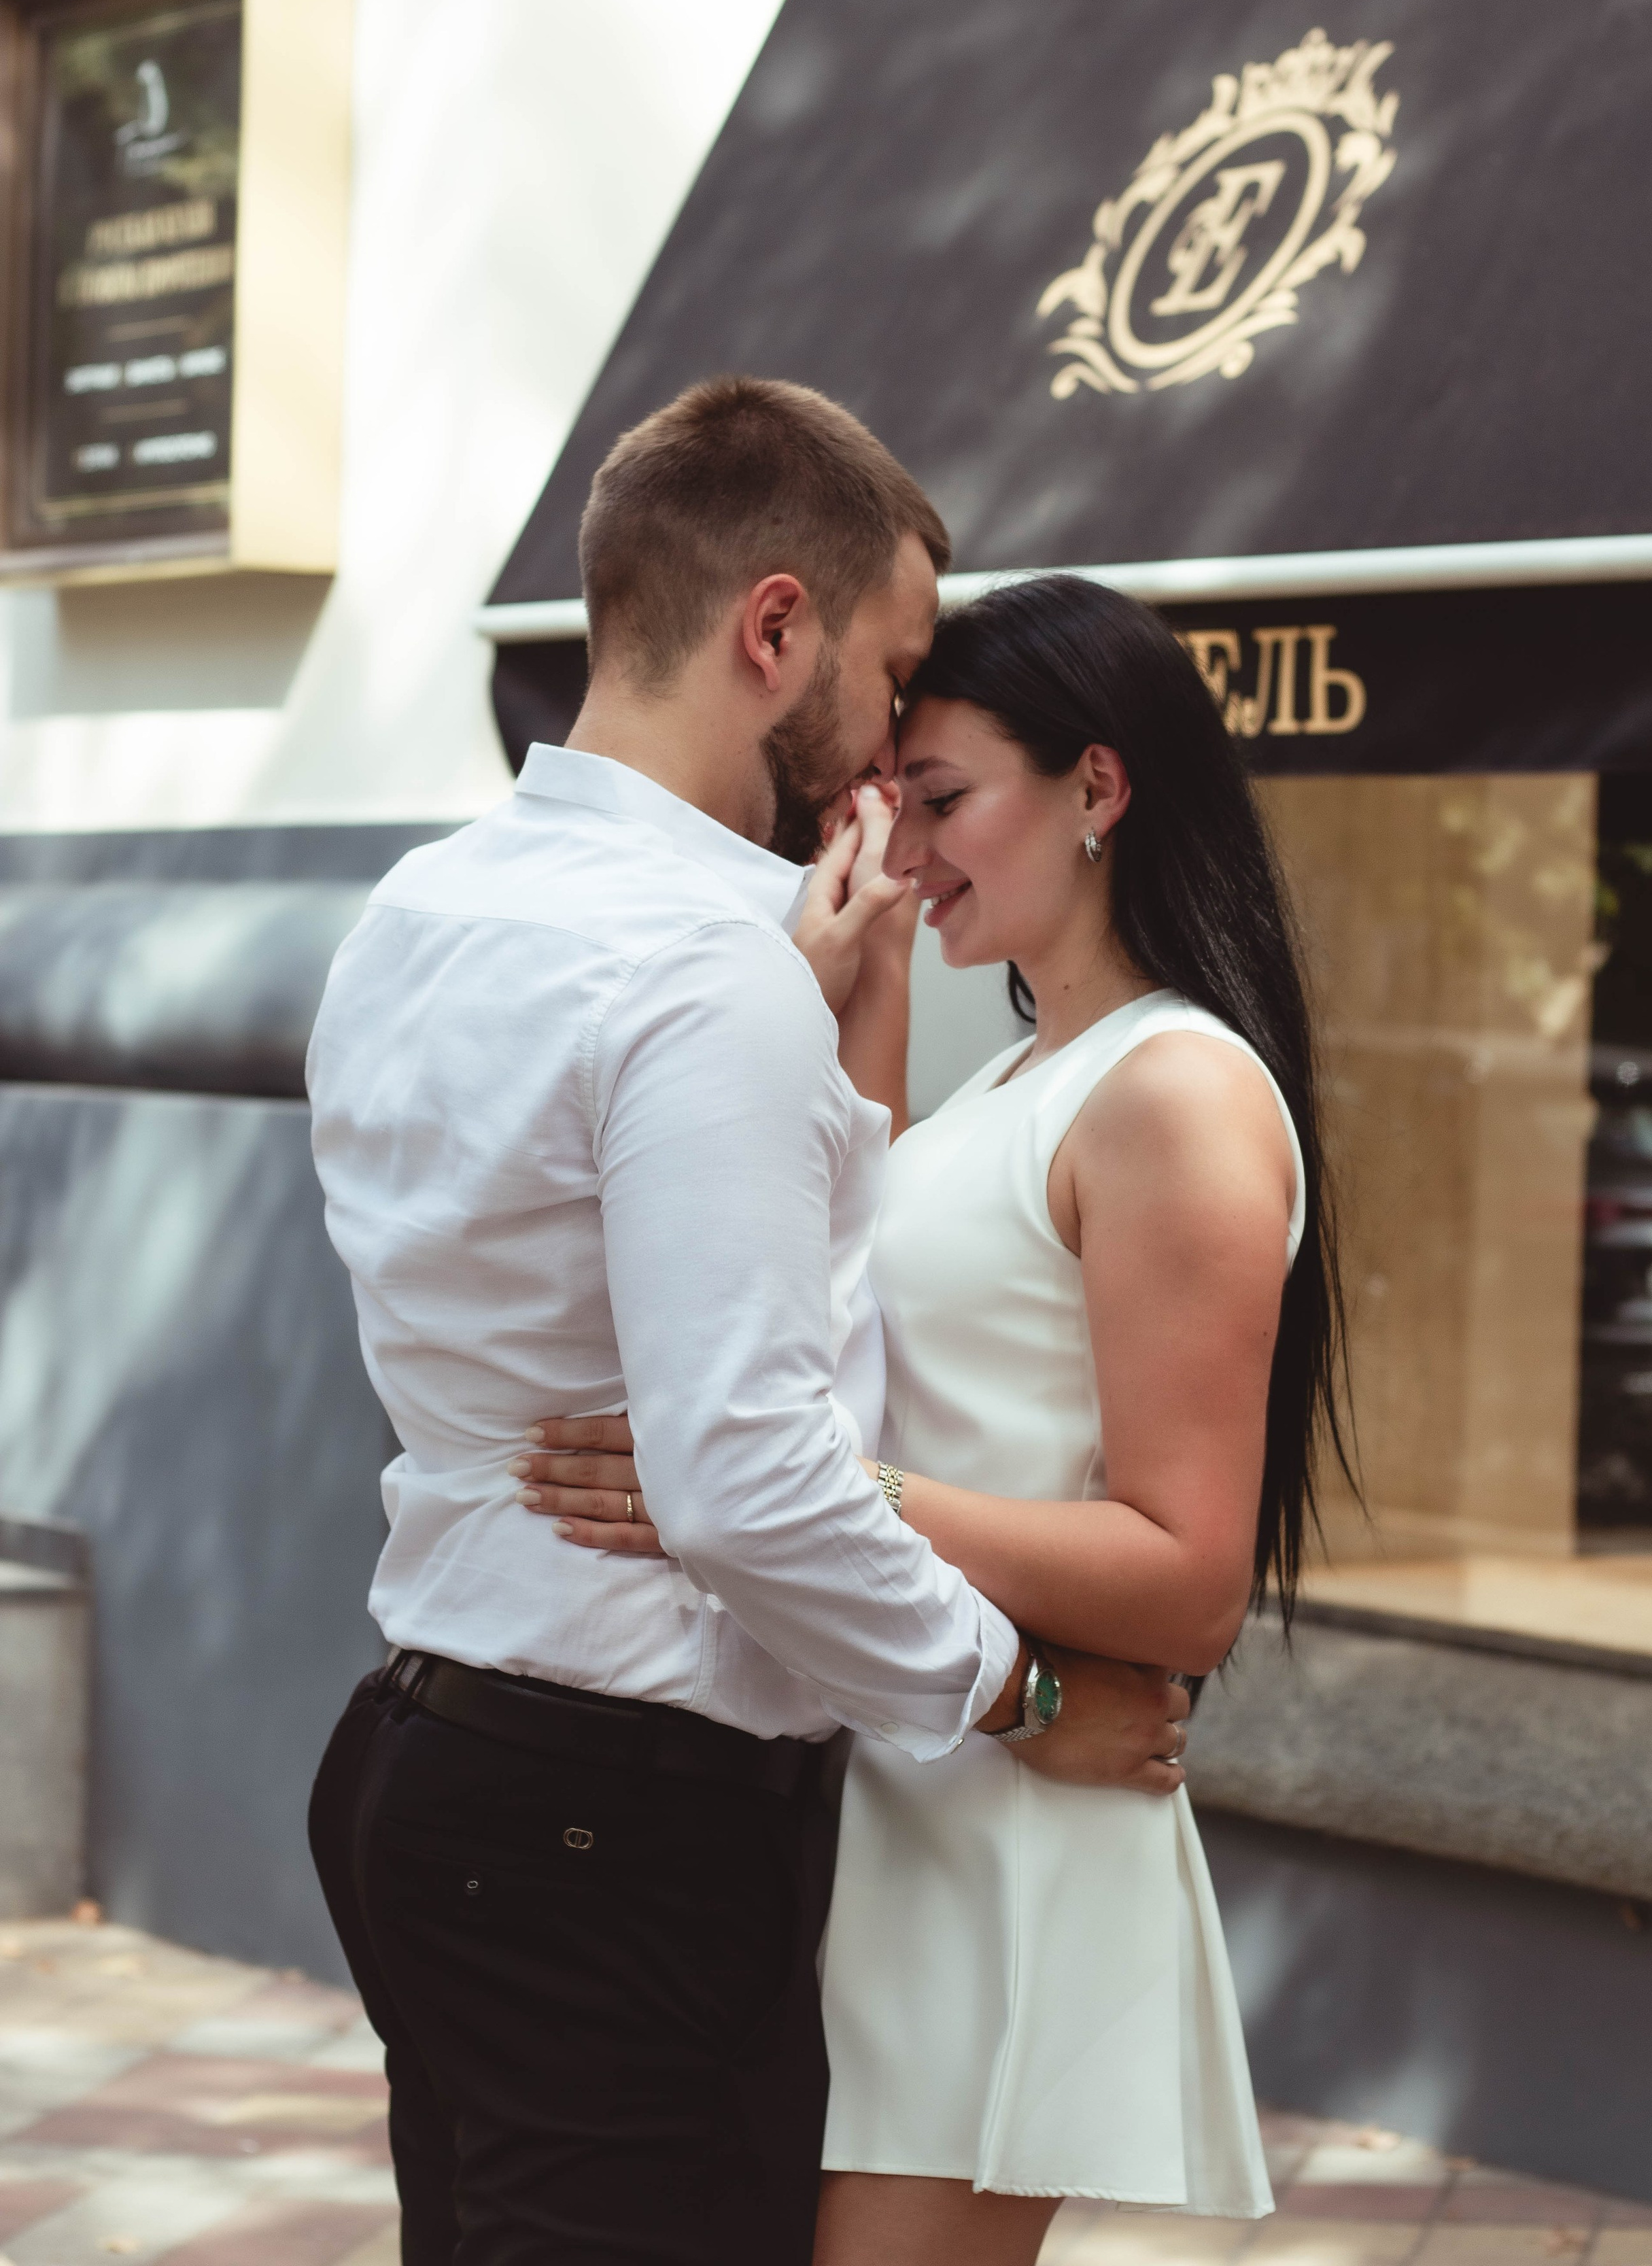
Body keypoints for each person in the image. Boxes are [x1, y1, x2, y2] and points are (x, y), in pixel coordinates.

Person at [303, 380, 1191, 2266]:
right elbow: (747, 1487)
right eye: (886, 673)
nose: (892, 738)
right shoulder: (711, 978)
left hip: (424, 1764)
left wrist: (812, 1024)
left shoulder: (421, 909)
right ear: (770, 631)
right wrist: (1019, 1693)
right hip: (611, 1831)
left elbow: (592, 1281)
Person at [526, 573, 1353, 2266]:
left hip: (1020, 1847)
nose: (905, 852)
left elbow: (1186, 1577)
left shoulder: (1177, 1095)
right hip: (915, 1785)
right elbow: (870, 1281)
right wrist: (852, 975)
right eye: (895, 812)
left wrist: (810, 1490)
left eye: (943, 804)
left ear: (1099, 788)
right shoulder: (1035, 1072)